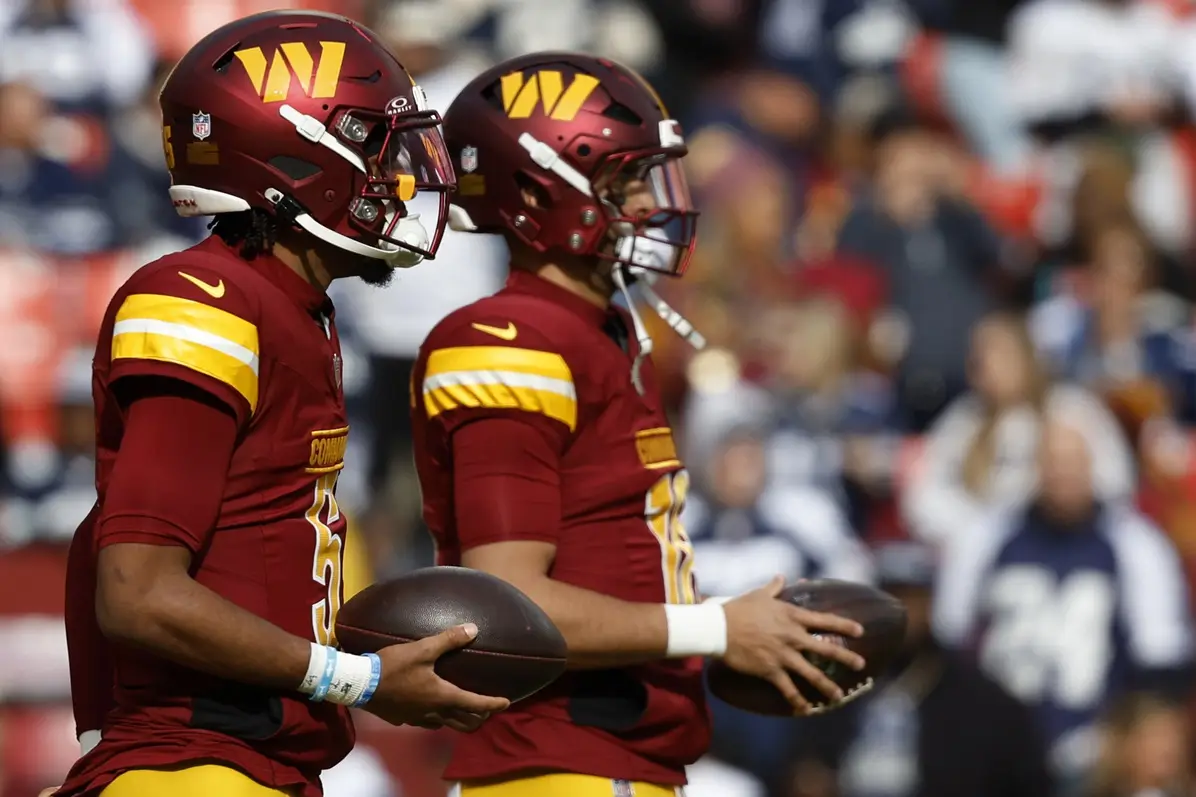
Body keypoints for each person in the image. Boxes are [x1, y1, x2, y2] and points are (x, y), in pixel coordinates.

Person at [53, 11, 509, 797]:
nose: (400, 177)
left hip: (248, 765)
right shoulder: (205, 300)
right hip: (194, 768)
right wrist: (358, 679)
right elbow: (136, 589)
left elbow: (101, 540)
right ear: (293, 157)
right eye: (377, 146)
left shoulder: (293, 306)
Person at [411, 52, 869, 797]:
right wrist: (716, 628)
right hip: (559, 762)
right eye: (626, 182)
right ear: (539, 191)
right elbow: (508, 601)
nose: (652, 204)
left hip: (615, 761)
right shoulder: (509, 340)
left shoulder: (603, 332)